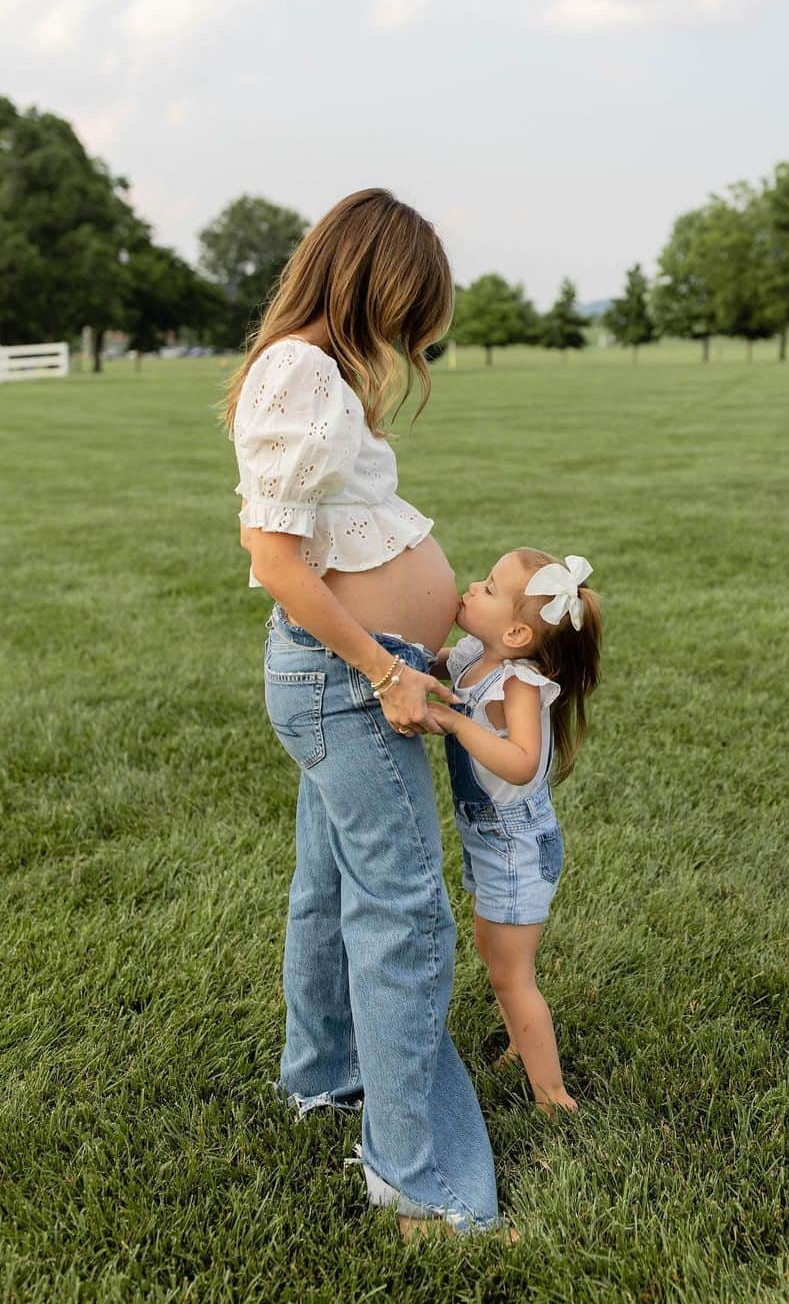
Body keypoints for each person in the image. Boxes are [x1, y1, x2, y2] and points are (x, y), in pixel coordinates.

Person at [222, 188, 501, 1238]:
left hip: (352, 673)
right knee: (403, 914)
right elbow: (276, 562)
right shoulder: (299, 368)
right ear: (375, 276)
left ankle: (325, 1077)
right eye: (411, 303)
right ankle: (417, 1181)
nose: (413, 331)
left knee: (329, 883)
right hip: (346, 682)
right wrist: (386, 674)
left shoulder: (318, 370)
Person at [428, 549, 602, 1116]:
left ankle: (552, 1096)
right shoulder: (477, 654)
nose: (472, 587)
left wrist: (454, 720)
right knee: (494, 953)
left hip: (515, 845)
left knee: (513, 975)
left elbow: (522, 761)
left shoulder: (519, 683)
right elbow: (444, 661)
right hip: (488, 837)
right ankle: (518, 1042)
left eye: (488, 587)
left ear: (518, 630)